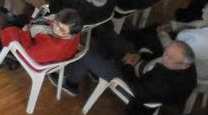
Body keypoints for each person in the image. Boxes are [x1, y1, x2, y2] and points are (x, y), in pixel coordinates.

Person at [60, 37, 197, 108]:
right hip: (142, 68)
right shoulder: (187, 65)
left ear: (184, 65)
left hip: (130, 83)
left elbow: (138, 90)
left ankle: (71, 84)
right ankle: (97, 70)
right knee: (110, 36)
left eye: (170, 57)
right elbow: (158, 58)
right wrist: (141, 57)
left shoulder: (164, 84)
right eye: (166, 52)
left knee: (86, 56)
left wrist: (128, 66)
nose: (164, 57)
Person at [0, 8, 83, 67]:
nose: (56, 28)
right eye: (56, 23)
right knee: (23, 18)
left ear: (69, 33)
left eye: (61, 29)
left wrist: (26, 32)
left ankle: (5, 58)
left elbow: (29, 53)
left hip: (33, 59)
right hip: (44, 50)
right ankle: (14, 20)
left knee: (8, 27)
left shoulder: (54, 46)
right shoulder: (74, 33)